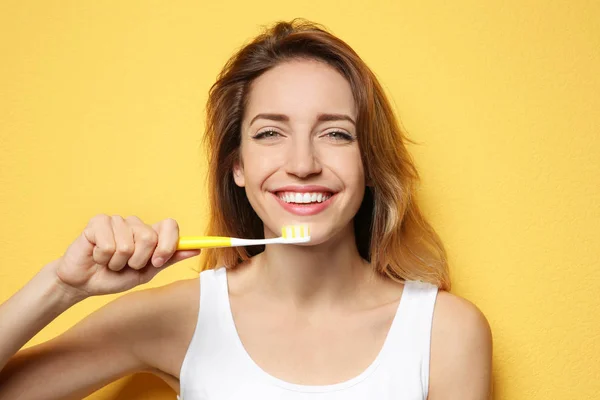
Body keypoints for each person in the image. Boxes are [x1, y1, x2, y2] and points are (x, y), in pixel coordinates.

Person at [0, 19, 492, 400]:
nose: (302, 164)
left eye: (336, 133)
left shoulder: (443, 331)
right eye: (270, 133)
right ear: (237, 165)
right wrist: (61, 287)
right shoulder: (180, 317)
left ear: (368, 162)